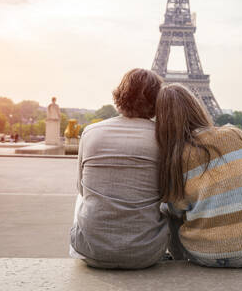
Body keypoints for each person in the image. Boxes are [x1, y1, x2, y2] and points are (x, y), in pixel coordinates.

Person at [155, 84, 242, 268]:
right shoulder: (235, 135)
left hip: (201, 255)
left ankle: (179, 259)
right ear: (196, 106)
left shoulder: (175, 158)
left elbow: (177, 210)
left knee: (166, 208)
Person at [70, 68, 168, 269]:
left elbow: (81, 188)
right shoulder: (162, 137)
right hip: (146, 253)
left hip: (90, 250)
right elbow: (168, 194)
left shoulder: (90, 132)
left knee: (84, 196)